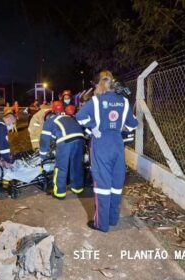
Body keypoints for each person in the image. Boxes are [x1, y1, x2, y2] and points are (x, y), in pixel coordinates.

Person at [76, 70, 138, 232]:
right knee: (116, 184)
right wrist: (117, 128)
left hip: (101, 144)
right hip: (117, 144)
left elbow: (80, 116)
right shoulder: (124, 102)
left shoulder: (96, 101)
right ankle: (112, 219)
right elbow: (133, 125)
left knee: (102, 185)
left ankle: (101, 224)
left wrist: (94, 128)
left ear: (99, 84)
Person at [40, 101, 85, 199]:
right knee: (76, 165)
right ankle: (77, 188)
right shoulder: (69, 117)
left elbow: (44, 140)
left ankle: (59, 192)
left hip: (65, 141)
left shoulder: (50, 121)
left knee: (61, 167)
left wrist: (42, 155)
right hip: (80, 139)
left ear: (52, 111)